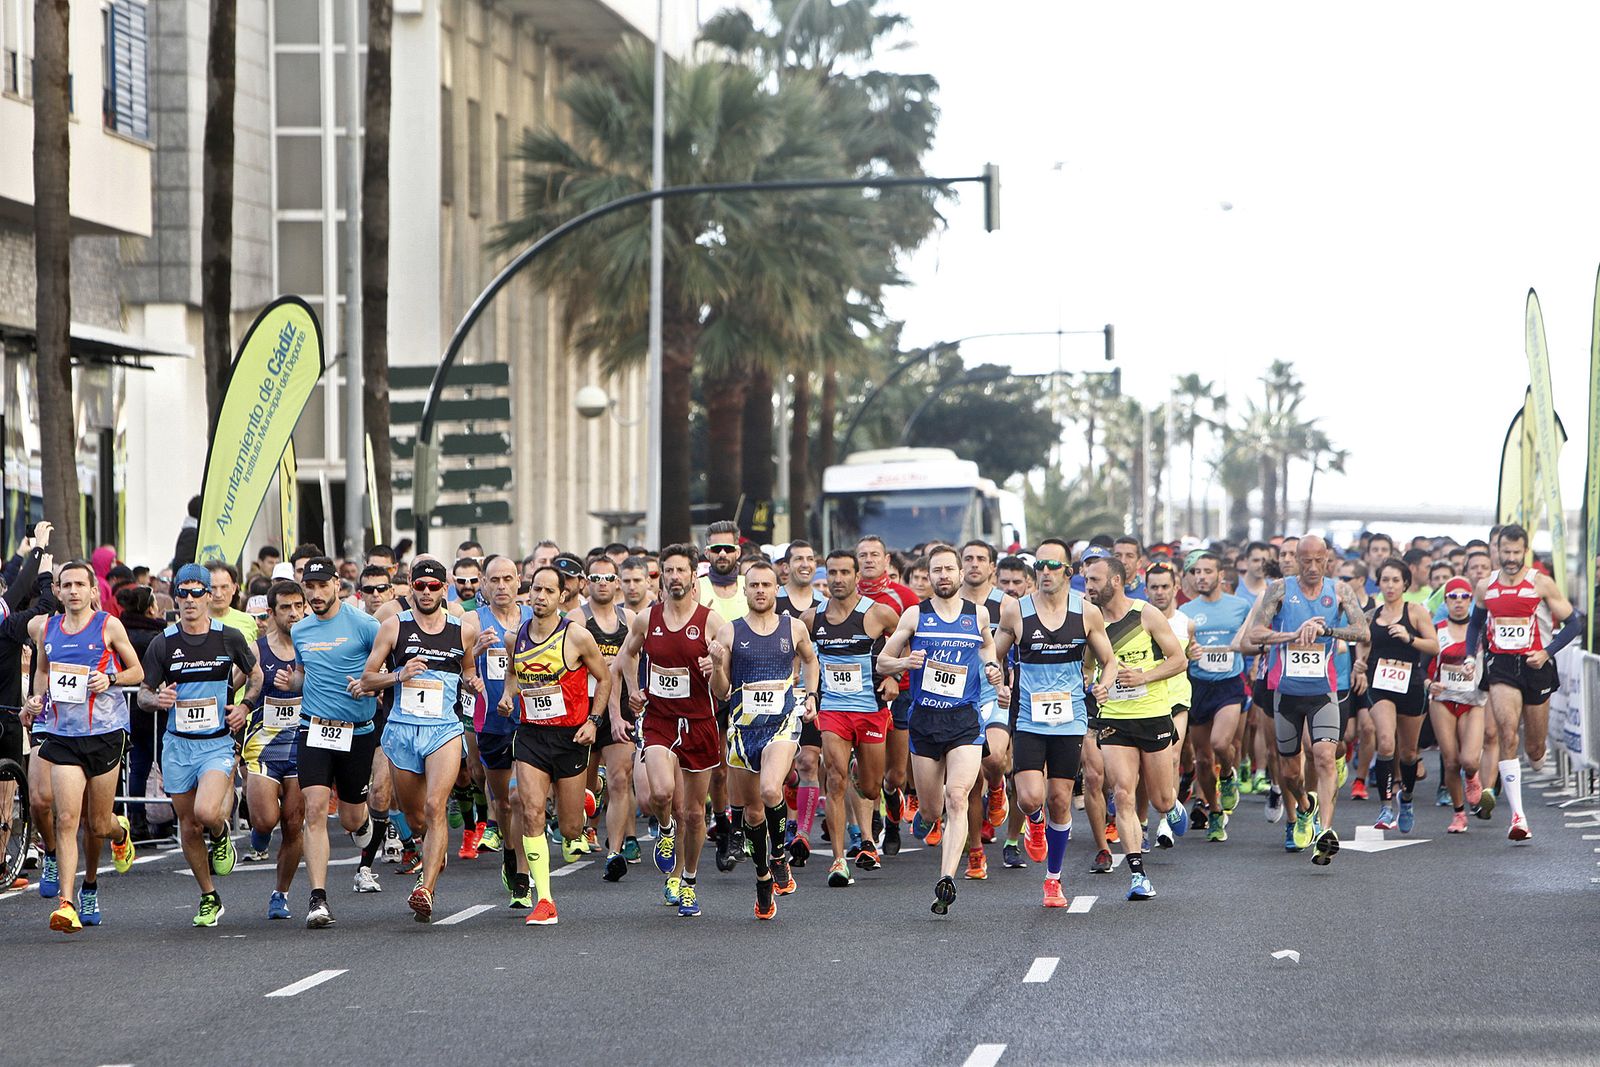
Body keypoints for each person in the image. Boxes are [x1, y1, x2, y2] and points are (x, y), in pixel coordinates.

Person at [877, 545, 1003, 915]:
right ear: (928, 577)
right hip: (925, 721)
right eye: (937, 570)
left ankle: (946, 877)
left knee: (958, 797)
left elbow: (988, 648)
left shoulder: (977, 614)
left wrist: (993, 667)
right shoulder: (916, 614)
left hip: (964, 718)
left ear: (961, 574)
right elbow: (884, 661)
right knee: (933, 810)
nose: (944, 575)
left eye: (950, 568)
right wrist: (905, 661)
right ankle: (923, 814)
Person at [22, 559, 144, 931]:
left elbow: (137, 671)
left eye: (80, 584)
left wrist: (111, 678)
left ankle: (117, 835)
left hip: (104, 735)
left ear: (93, 591)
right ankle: (68, 902)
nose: (73, 591)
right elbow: (43, 671)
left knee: (97, 823)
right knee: (66, 818)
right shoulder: (49, 630)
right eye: (66, 585)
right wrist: (36, 700)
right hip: (63, 736)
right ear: (56, 591)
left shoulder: (109, 625)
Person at [136, 563, 260, 926]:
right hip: (178, 746)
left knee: (207, 813)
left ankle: (221, 834)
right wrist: (155, 701)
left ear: (209, 596)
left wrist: (246, 706)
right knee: (188, 826)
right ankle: (209, 895)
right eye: (183, 592)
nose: (189, 600)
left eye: (197, 592)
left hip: (216, 743)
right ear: (175, 597)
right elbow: (144, 693)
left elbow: (256, 675)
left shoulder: (229, 637)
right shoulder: (164, 642)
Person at [992, 539, 1113, 907]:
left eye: (1053, 566)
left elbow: (1110, 661)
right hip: (1028, 716)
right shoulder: (1016, 611)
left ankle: (1053, 881)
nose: (1045, 572)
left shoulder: (1086, 612)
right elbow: (993, 656)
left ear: (1069, 573)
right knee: (1030, 797)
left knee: (1061, 799)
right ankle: (1035, 820)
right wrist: (998, 682)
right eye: (1040, 566)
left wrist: (1103, 685)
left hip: (1070, 718)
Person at [360, 557, 480, 922]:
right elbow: (367, 679)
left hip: (444, 730)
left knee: (434, 806)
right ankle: (432, 847)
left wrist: (473, 682)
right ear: (409, 586)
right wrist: (399, 675)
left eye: (433, 587)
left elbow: (469, 668)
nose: (426, 592)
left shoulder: (463, 630)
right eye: (420, 586)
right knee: (415, 819)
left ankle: (426, 888)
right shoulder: (394, 627)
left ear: (445, 589)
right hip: (401, 731)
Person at [1242, 535, 1368, 865]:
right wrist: (1292, 635)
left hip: (1323, 691)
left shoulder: (1340, 591)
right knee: (1289, 773)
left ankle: (1326, 831)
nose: (1312, 568)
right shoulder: (1280, 590)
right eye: (1306, 561)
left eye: (1319, 561)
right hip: (1285, 693)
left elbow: (1362, 631)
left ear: (1328, 561)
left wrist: (1328, 631)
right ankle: (1303, 806)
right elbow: (1254, 634)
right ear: (1296, 560)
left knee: (1324, 756)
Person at [610, 544, 718, 916]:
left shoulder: (710, 621)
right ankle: (665, 828)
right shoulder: (646, 618)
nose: (674, 577)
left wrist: (714, 670)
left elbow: (723, 688)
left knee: (695, 813)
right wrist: (634, 691)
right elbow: (625, 657)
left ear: (692, 577)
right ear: (662, 576)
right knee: (661, 791)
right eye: (668, 571)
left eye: (680, 571)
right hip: (659, 719)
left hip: (700, 723)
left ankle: (688, 882)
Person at [708, 560, 819, 919]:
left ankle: (778, 855)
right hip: (742, 729)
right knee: (753, 814)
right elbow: (722, 693)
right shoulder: (729, 632)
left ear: (777, 589)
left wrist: (811, 694)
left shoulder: (794, 627)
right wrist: (718, 666)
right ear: (745, 591)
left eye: (766, 585)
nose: (760, 590)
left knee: (771, 791)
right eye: (753, 585)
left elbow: (811, 660)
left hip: (781, 725)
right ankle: (762, 878)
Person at [502, 565, 611, 926]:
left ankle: (589, 795)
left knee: (569, 829)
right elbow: (514, 674)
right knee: (530, 809)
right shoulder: (514, 637)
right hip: (531, 735)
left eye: (549, 591)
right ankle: (545, 898)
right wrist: (507, 696)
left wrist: (593, 722)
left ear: (562, 596)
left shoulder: (577, 636)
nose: (540, 597)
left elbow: (605, 677)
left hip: (570, 738)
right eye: (536, 589)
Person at [1081, 555, 1189, 900]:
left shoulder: (1145, 614)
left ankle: (1173, 805)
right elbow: (1087, 668)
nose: (1089, 586)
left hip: (1153, 714)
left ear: (1116, 581)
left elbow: (1178, 659)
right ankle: (1137, 874)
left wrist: (1144, 676)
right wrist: (1092, 685)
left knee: (1160, 799)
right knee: (1124, 794)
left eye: (1095, 580)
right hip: (1114, 717)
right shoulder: (1088, 620)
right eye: (1086, 580)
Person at [1468, 523, 1584, 841]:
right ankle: (1518, 817)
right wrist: (1470, 656)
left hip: (1536, 665)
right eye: (1504, 552)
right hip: (1502, 665)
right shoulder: (1485, 586)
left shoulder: (1541, 583)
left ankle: (1535, 755)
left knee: (1534, 748)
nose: (1510, 558)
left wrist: (1547, 652)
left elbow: (1575, 623)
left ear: (1525, 551)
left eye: (1516, 553)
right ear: (1497, 550)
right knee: (1507, 735)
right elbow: (1475, 624)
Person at [291, 557, 383, 929]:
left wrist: (369, 683)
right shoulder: (301, 631)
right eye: (308, 588)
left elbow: (387, 670)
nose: (315, 594)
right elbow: (302, 675)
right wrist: (289, 684)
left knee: (350, 816)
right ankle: (318, 899)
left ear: (337, 585)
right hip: (313, 728)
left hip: (356, 731)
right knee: (313, 808)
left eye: (321, 586)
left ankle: (364, 826)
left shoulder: (364, 625)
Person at [805, 550, 901, 887]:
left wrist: (894, 678)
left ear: (857, 575)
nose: (838, 579)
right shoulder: (811, 619)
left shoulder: (878, 615)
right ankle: (838, 860)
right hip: (833, 711)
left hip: (871, 711)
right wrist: (808, 693)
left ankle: (871, 828)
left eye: (845, 572)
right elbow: (803, 656)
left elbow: (904, 640)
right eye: (832, 572)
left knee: (872, 785)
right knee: (835, 778)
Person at [1353, 559, 1439, 833]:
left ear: (1405, 584)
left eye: (1395, 580)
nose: (1389, 586)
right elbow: (1363, 643)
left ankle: (1408, 799)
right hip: (1380, 686)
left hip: (1410, 686)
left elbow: (1434, 646)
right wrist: (1360, 665)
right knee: (1387, 742)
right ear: (1378, 583)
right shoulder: (1371, 615)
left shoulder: (1415, 612)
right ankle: (1386, 807)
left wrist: (1409, 638)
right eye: (1385, 580)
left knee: (1409, 752)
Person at [568, 557, 639, 882]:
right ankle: (581, 820)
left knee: (620, 779)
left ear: (618, 582)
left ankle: (616, 850)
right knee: (584, 782)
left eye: (608, 577)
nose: (602, 583)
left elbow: (636, 661)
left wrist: (637, 694)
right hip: (582, 708)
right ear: (586, 582)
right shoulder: (576, 619)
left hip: (620, 709)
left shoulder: (631, 619)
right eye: (595, 577)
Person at [242, 579, 307, 919]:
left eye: (299, 606)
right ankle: (260, 831)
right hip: (262, 746)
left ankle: (280, 893)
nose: (294, 614)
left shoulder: (312, 646)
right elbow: (231, 685)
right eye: (286, 608)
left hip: (302, 744)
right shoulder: (256, 650)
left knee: (294, 824)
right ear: (271, 613)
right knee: (266, 820)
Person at [470, 555, 534, 906]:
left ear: (519, 581)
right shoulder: (472, 621)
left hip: (530, 721)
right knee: (503, 803)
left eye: (508, 579)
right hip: (491, 722)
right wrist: (472, 654)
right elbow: (460, 671)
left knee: (519, 797)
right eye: (494, 580)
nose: (501, 586)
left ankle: (523, 873)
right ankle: (510, 853)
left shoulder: (532, 619)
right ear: (483, 583)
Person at [1179, 551, 1252, 841]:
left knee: (1221, 743)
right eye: (1196, 572)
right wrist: (1188, 652)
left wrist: (1248, 650)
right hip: (1198, 684)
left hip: (1229, 684)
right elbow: (1178, 650)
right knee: (1203, 759)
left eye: (1207, 571)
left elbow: (1252, 637)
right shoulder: (1185, 611)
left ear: (1220, 576)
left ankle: (1229, 776)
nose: (1201, 577)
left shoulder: (1240, 606)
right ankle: (1215, 810)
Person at [1430, 576, 1488, 833]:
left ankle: (1473, 778)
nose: (1459, 602)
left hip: (1473, 700)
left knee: (1469, 761)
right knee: (1451, 761)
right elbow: (1422, 665)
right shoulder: (1437, 629)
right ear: (1445, 601)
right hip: (1443, 698)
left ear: (1472, 600)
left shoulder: (1481, 630)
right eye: (1453, 597)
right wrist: (1427, 683)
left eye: (1465, 596)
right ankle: (1458, 813)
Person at [205, 561, 258, 642]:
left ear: (234, 588)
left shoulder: (248, 621)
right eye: (213, 588)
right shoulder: (188, 623)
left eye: (224, 587)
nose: (218, 594)